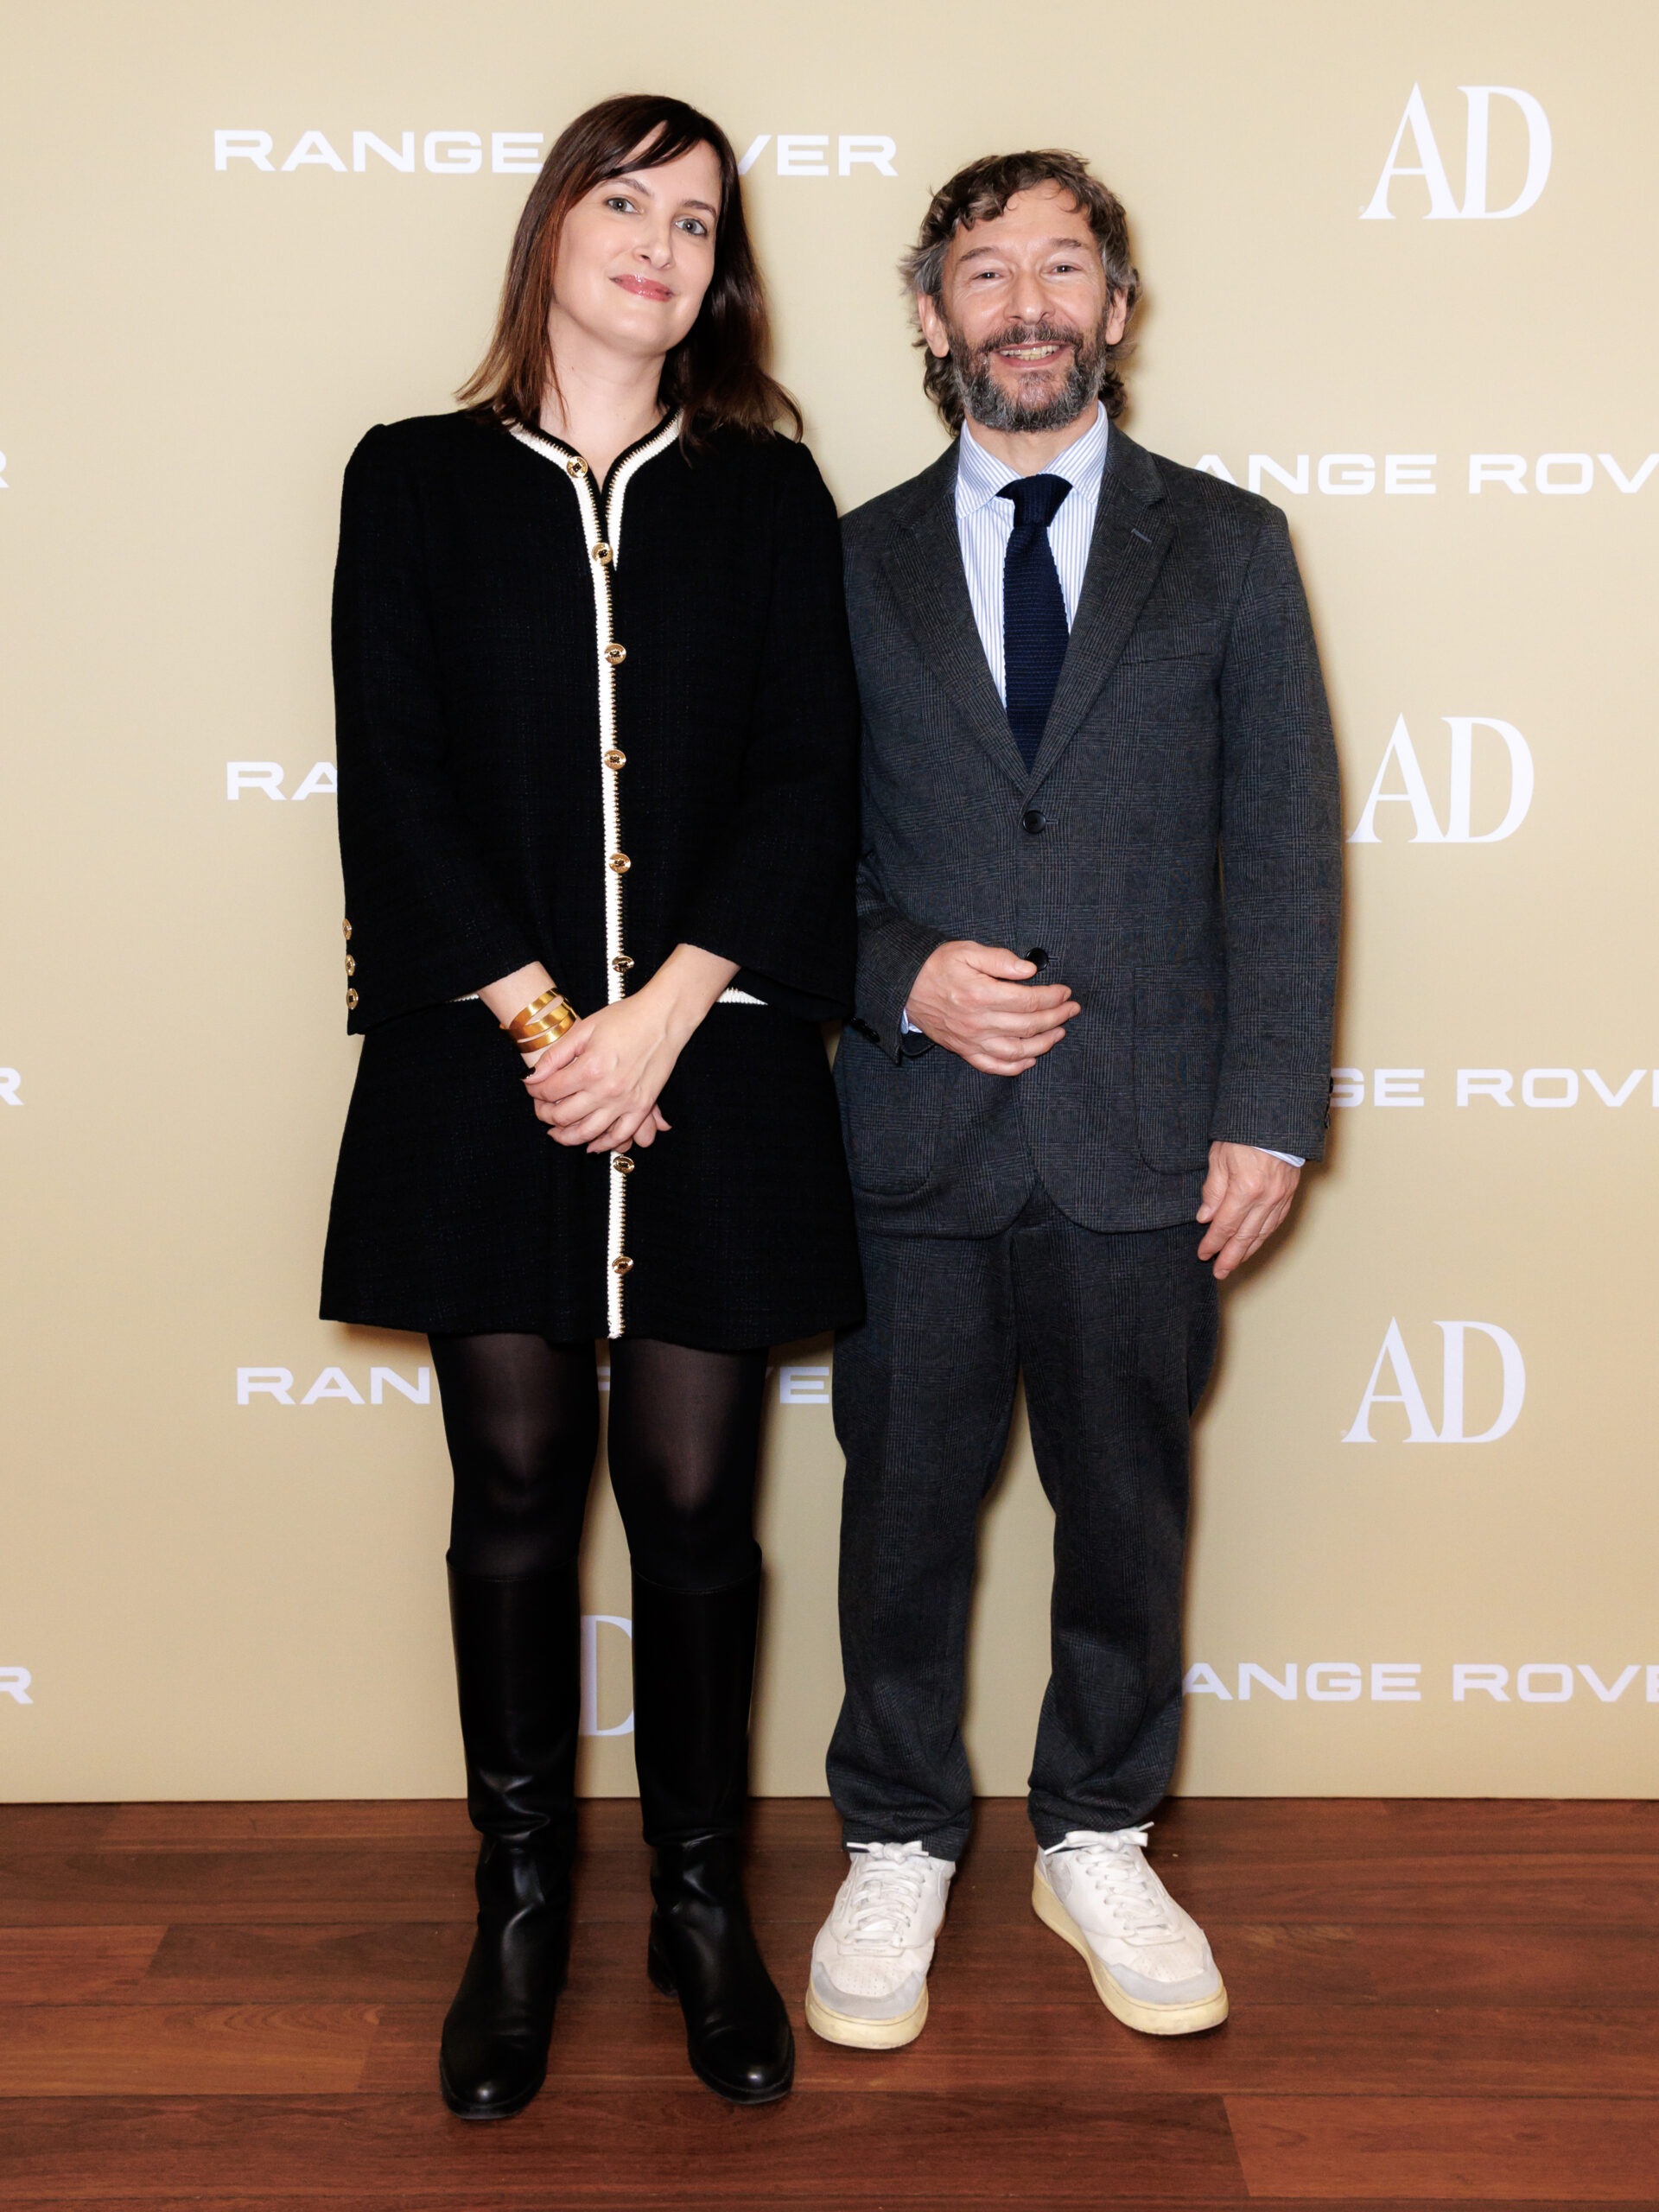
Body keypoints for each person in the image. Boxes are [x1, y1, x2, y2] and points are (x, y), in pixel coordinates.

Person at [320, 92, 862, 2114]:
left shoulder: (769, 492)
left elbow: (810, 777)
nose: (657, 240)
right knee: (516, 1492)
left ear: (723, 276)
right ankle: (524, 1903)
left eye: (697, 220)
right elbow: (395, 780)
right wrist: (562, 1031)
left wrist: (667, 1017)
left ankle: (703, 1904)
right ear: (554, 227)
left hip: (721, 1065)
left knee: (703, 1503)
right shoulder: (410, 477)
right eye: (624, 200)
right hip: (491, 1073)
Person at [807, 149, 1340, 2050]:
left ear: (1115, 304)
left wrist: (1269, 1111)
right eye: (984, 270)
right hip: (916, 1141)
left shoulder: (1231, 547)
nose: (1025, 304)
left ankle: (1098, 1828)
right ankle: (895, 1832)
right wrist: (899, 976)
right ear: (931, 311)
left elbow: (1283, 847)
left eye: (1062, 267)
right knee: (902, 1517)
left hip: (1148, 1140)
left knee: (1127, 1515)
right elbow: (785, 853)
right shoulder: (844, 558)